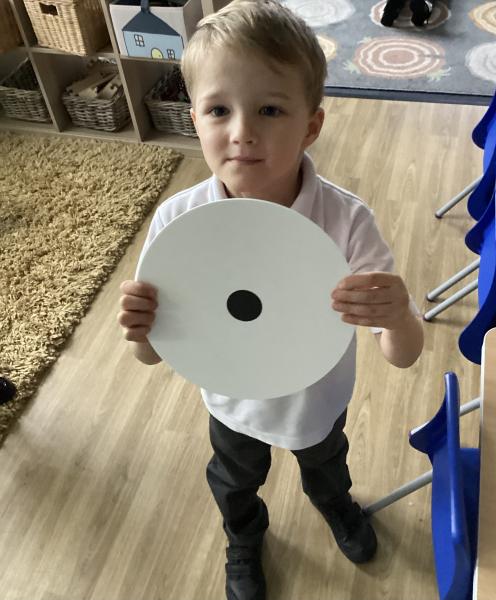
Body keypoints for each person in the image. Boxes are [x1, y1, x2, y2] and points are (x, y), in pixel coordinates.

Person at [118, 1, 424, 598]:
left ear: (311, 126)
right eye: (219, 110)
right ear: (195, 120)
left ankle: (337, 507)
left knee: (327, 468)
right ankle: (243, 537)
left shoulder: (345, 222)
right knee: (234, 483)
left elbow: (404, 354)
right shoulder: (179, 224)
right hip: (233, 403)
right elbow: (151, 355)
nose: (241, 132)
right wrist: (139, 331)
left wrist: (396, 316)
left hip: (317, 403)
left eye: (269, 109)